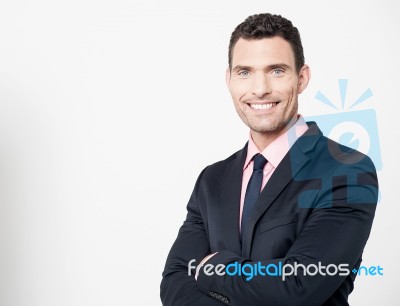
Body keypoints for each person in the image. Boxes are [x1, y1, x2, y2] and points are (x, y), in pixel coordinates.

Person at [160, 13, 378, 306]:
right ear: (229, 80)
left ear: (302, 78)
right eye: (244, 72)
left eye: (276, 71)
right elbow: (175, 284)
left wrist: (213, 268)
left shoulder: (346, 171)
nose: (260, 89)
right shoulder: (211, 181)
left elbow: (299, 287)